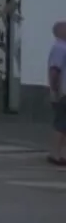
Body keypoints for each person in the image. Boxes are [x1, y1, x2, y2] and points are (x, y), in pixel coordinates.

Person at [49, 20, 66, 167]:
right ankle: (55, 154)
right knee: (61, 124)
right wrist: (54, 89)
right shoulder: (60, 48)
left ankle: (61, 153)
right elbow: (54, 70)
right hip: (64, 92)